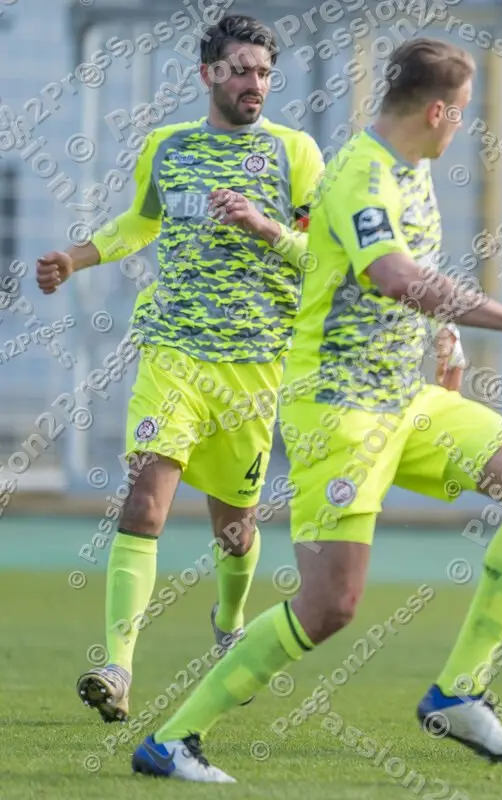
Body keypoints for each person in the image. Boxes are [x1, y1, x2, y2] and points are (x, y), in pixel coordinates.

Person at [132, 37, 502, 783]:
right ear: (437, 110)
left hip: (403, 399)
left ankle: (458, 692)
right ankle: (173, 739)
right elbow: (395, 274)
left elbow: (418, 274)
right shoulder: (359, 174)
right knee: (330, 605)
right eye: (462, 112)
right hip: (337, 409)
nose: (463, 124)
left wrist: (447, 344)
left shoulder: (416, 169)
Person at [36, 15, 324, 724]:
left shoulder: (296, 153)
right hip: (173, 354)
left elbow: (324, 259)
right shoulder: (169, 148)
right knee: (144, 503)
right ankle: (118, 666)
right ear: (209, 75)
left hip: (254, 367)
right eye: (242, 70)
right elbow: (140, 222)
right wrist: (77, 256)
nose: (255, 83)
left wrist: (263, 226)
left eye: (263, 71)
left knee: (236, 529)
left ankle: (230, 619)